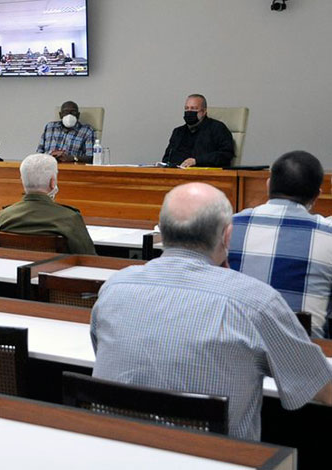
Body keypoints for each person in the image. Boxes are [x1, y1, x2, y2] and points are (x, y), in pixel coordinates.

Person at [90, 182, 332, 441]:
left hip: (120, 454)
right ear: (228, 235)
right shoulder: (255, 302)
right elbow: (321, 388)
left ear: (162, 231)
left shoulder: (115, 287)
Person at [229, 151, 332, 338]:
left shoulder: (228, 226)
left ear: (268, 184)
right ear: (317, 195)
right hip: (303, 358)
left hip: (234, 352)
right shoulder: (327, 234)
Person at [0, 154, 95, 255]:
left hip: (15, 269)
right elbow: (88, 258)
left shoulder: (5, 216)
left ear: (22, 181)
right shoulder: (70, 218)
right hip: (56, 270)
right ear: (53, 182)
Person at [162, 94, 235, 168]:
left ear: (204, 111)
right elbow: (166, 158)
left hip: (207, 176)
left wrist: (196, 161)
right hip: (178, 175)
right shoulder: (178, 132)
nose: (189, 112)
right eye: (187, 108)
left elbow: (226, 155)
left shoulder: (218, 128)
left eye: (194, 108)